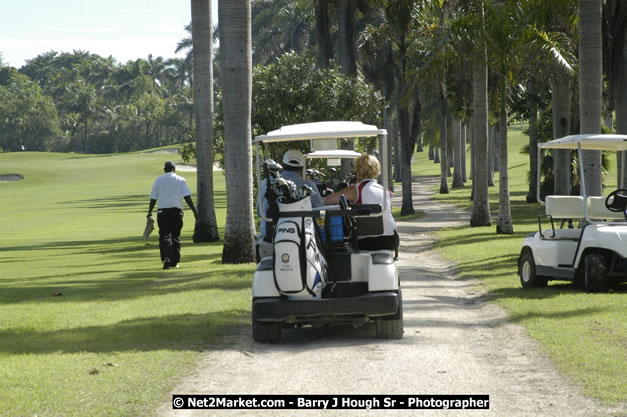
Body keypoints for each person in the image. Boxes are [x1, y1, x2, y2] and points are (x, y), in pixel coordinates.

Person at [324, 154, 398, 251]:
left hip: (367, 241)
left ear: (358, 172)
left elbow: (328, 200)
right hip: (391, 239)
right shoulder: (386, 191)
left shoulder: (356, 189)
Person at [258, 150, 323, 242]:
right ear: (302, 168)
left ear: (282, 166)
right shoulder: (309, 185)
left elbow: (259, 212)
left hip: (269, 234)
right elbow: (319, 211)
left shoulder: (266, 183)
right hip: (301, 237)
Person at [147, 160, 198, 269]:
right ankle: (175, 261)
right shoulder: (180, 180)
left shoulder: (158, 180)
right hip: (176, 212)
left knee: (164, 235)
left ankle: (166, 257)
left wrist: (149, 211)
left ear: (164, 169)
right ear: (174, 169)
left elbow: (153, 198)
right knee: (175, 236)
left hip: (162, 212)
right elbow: (187, 197)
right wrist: (194, 211)